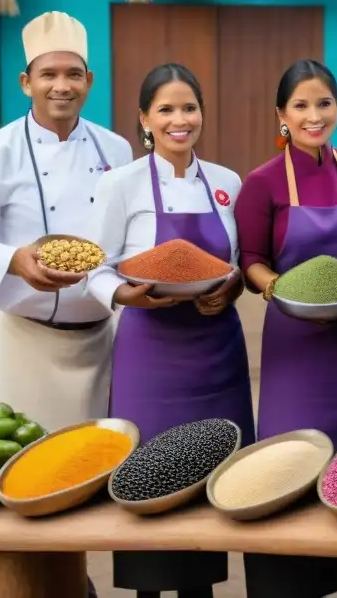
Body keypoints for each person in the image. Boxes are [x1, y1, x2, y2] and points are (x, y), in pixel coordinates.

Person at [87, 63, 255, 598]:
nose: (179, 120)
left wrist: (230, 290)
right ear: (144, 119)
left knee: (210, 477)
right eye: (166, 110)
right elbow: (97, 265)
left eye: (189, 108)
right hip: (150, 353)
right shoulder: (119, 184)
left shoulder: (228, 183)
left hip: (215, 350)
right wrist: (122, 294)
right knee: (148, 477)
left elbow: (235, 264)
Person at [234, 59, 337, 598]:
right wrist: (281, 288)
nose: (313, 115)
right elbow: (251, 260)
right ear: (281, 114)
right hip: (295, 346)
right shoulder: (262, 183)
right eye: (300, 105)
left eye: (323, 103)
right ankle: (296, 586)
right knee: (291, 463)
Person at [0, 10, 133, 431]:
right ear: (26, 83)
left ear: (90, 81)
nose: (62, 86)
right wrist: (16, 259)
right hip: (23, 344)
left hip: (101, 340)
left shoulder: (116, 150)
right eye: (48, 75)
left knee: (93, 463)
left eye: (74, 74)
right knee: (20, 464)